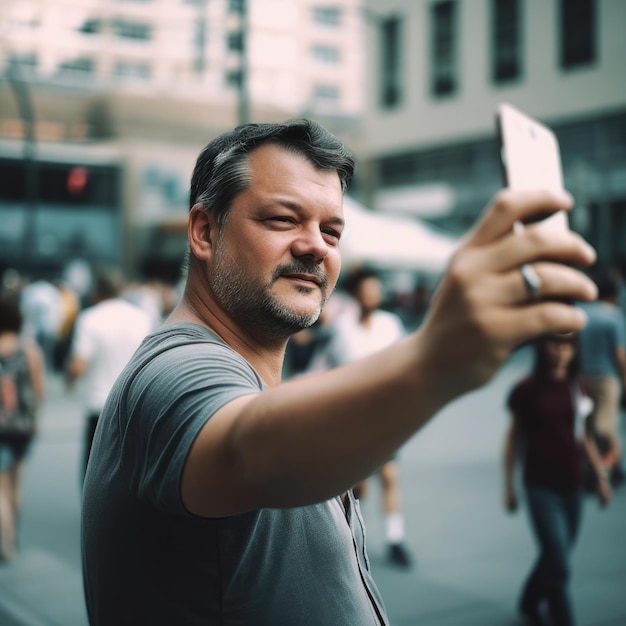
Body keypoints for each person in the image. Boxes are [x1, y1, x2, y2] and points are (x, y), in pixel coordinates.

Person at [81, 119, 598, 625]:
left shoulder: (243, 373)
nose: (316, 246)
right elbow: (247, 453)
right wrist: (434, 358)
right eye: (284, 219)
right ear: (204, 231)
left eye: (332, 230)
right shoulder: (174, 368)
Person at [503, 332, 611, 626]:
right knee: (560, 564)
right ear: (543, 346)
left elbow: (584, 437)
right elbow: (513, 439)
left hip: (573, 484)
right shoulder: (527, 389)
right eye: (556, 343)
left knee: (556, 554)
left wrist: (600, 478)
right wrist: (509, 487)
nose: (562, 350)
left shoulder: (579, 386)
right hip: (540, 485)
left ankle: (529, 599)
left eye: (568, 344)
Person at [323, 267, 412, 568]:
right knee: (359, 484)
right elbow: (333, 368)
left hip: (386, 415)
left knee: (389, 475)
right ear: (357, 294)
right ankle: (348, 531)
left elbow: (403, 363)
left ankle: (395, 538)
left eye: (376, 289)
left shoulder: (390, 324)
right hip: (353, 416)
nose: (373, 294)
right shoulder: (343, 327)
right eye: (367, 289)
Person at [66, 267, 152, 483]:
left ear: (97, 291)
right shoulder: (141, 317)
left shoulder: (89, 318)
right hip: (134, 405)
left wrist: (70, 380)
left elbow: (78, 366)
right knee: (131, 474)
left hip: (100, 406)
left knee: (94, 476)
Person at [0, 292, 45, 562]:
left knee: (1, 488)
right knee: (16, 484)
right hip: (24, 428)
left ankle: (5, 547)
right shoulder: (29, 350)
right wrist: (35, 420)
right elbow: (39, 391)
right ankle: (13, 535)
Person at [578, 269, 626, 486]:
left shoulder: (581, 313)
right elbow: (620, 354)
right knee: (605, 427)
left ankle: (599, 468)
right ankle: (609, 466)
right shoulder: (614, 315)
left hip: (584, 378)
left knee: (590, 426)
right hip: (608, 379)